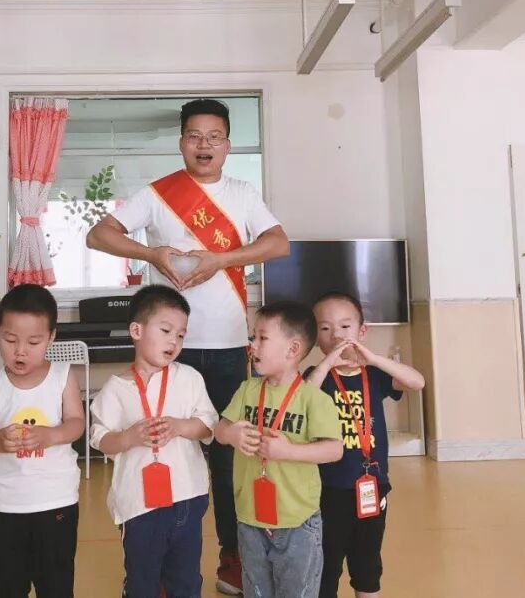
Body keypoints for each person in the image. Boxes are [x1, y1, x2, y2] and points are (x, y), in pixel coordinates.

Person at [87, 97, 289, 595]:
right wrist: (151, 253)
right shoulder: (158, 194)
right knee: (160, 447)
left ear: (227, 145)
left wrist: (222, 259)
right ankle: (156, 561)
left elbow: (278, 243)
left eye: (214, 137)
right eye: (195, 136)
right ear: (181, 142)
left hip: (225, 347)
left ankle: (231, 558)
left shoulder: (242, 193)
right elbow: (98, 235)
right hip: (164, 353)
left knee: (227, 457)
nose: (204, 145)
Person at [90, 285, 219, 598]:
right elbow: (100, 438)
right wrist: (129, 437)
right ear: (136, 331)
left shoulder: (189, 378)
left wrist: (180, 426)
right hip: (139, 504)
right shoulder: (115, 388)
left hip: (187, 496)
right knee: (142, 581)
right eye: (165, 330)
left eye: (181, 335)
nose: (174, 341)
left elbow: (208, 425)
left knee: (186, 581)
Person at [213, 302, 342, 598]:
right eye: (253, 337)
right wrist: (230, 434)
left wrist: (288, 452)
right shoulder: (247, 390)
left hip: (297, 523)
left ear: (292, 349)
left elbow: (334, 450)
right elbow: (219, 430)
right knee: (256, 590)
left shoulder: (313, 399)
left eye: (262, 338)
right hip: (250, 518)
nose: (253, 345)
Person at [306, 292, 426, 598]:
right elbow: (301, 399)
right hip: (327, 488)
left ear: (362, 332)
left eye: (345, 327)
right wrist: (327, 363)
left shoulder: (374, 374)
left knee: (367, 562)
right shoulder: (318, 377)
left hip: (371, 483)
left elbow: (417, 382)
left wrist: (373, 359)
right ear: (316, 338)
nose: (336, 335)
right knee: (326, 563)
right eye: (325, 329)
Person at [0, 284, 86, 598]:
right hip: (4, 504)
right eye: (10, 340)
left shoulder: (63, 377)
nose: (20, 350)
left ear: (51, 337)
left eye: (33, 342)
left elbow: (76, 423)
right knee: (5, 586)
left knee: (56, 585)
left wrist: (50, 435)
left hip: (56, 500)